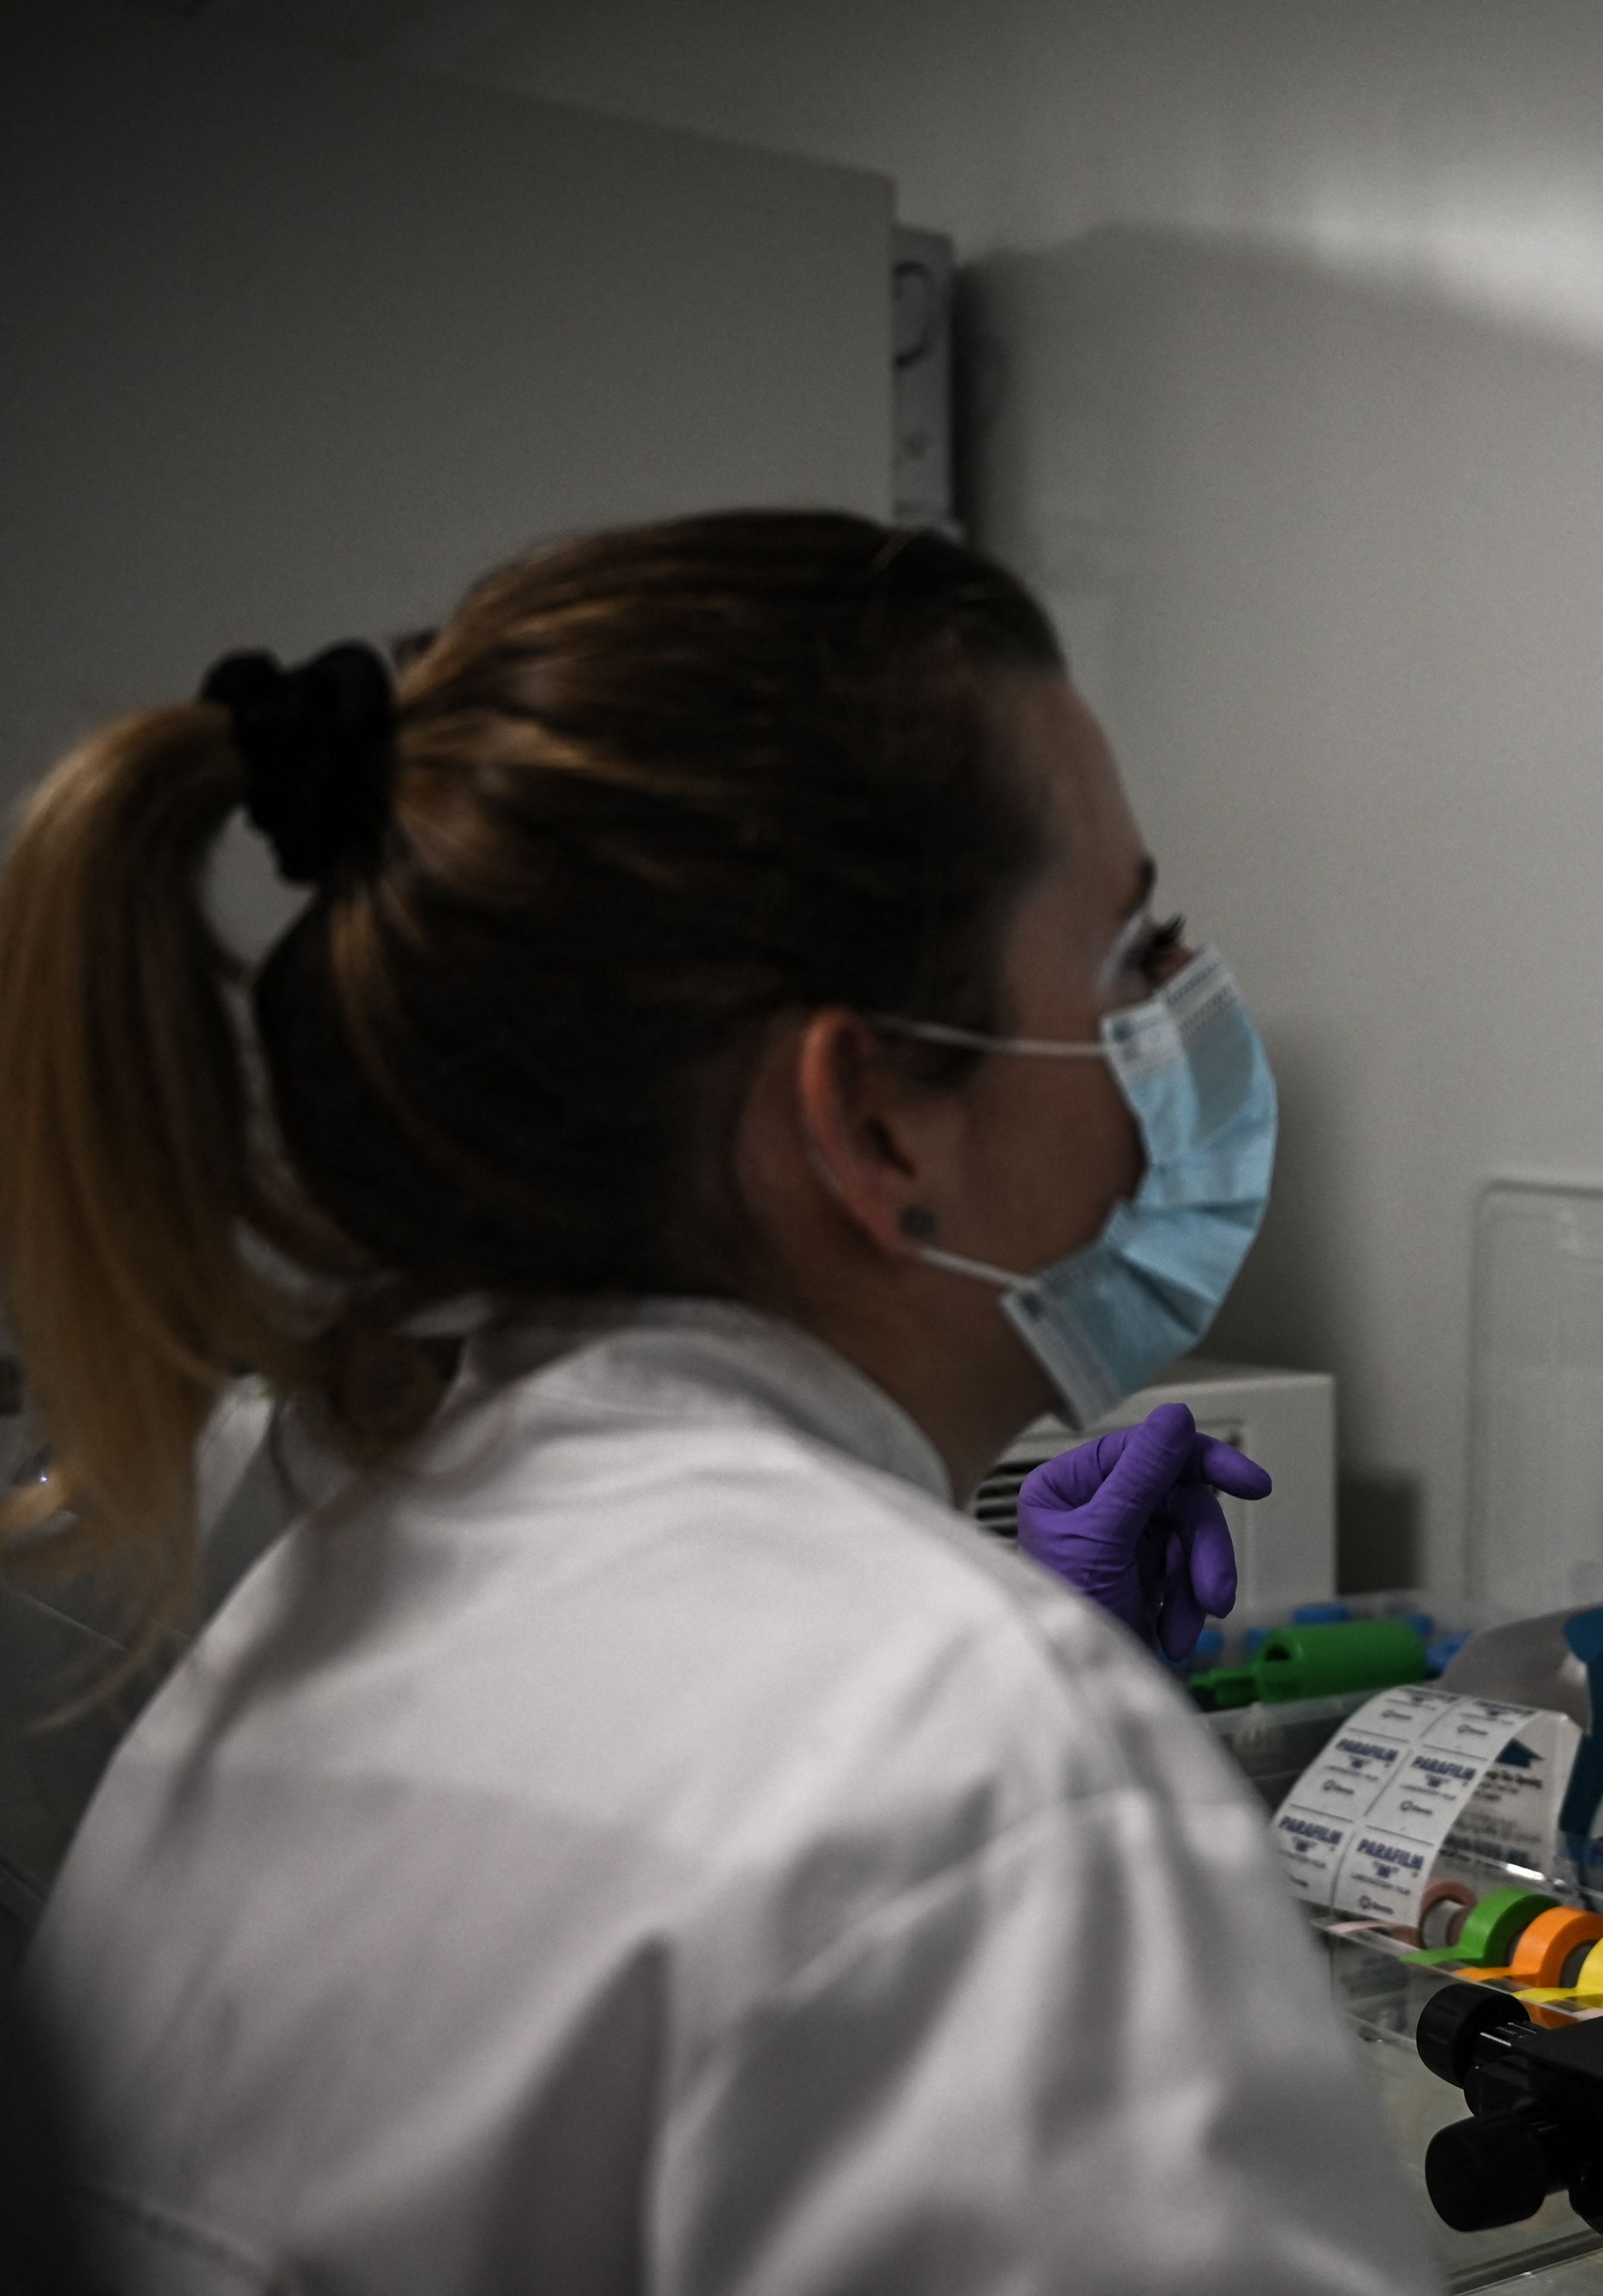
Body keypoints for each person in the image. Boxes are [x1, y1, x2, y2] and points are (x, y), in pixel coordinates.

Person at [0, 513, 1435, 2292]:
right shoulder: (972, 1767)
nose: (1187, 1026)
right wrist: (1010, 1708)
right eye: (1134, 945)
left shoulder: (293, 1626)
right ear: (873, 1122)